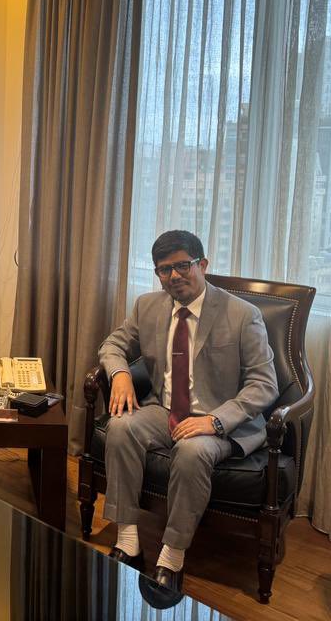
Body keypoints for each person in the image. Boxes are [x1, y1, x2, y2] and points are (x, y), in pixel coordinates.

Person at [100, 230, 277, 594]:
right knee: (120, 427)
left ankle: (172, 556)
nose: (174, 276)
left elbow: (264, 385)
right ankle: (128, 540)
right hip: (164, 409)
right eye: (164, 270)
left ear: (203, 265)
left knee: (192, 451)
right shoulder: (147, 306)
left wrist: (214, 421)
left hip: (222, 420)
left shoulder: (242, 315)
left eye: (183, 265)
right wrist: (120, 374)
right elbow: (113, 345)